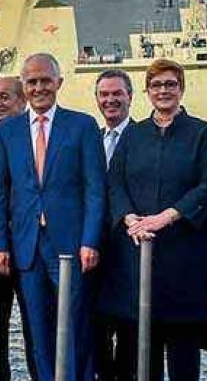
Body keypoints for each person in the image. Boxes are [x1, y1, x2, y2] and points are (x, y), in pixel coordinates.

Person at [100, 60, 207, 381]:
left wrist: (166, 217)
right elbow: (115, 182)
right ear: (147, 91)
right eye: (156, 85)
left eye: (170, 84)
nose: (163, 91)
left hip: (185, 261)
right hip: (139, 258)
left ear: (181, 88)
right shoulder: (134, 134)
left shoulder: (201, 133)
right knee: (141, 353)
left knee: (183, 354)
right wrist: (130, 219)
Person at [0, 53, 105, 381]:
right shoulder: (6, 132)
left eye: (45, 81)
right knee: (38, 326)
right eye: (32, 82)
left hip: (71, 246)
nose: (39, 88)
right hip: (26, 246)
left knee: (76, 325)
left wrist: (90, 240)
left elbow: (95, 190)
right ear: (24, 86)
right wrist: (0, 245)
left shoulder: (82, 126)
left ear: (59, 83)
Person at [0, 76, 38, 381]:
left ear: (23, 100)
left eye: (5, 97)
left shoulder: (38, 137)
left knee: (36, 324)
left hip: (30, 248)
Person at [91, 70, 136, 381]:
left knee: (130, 336)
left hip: (130, 252)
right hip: (94, 250)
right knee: (96, 333)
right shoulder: (91, 139)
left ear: (130, 96)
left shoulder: (144, 137)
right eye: (104, 94)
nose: (110, 100)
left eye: (117, 93)